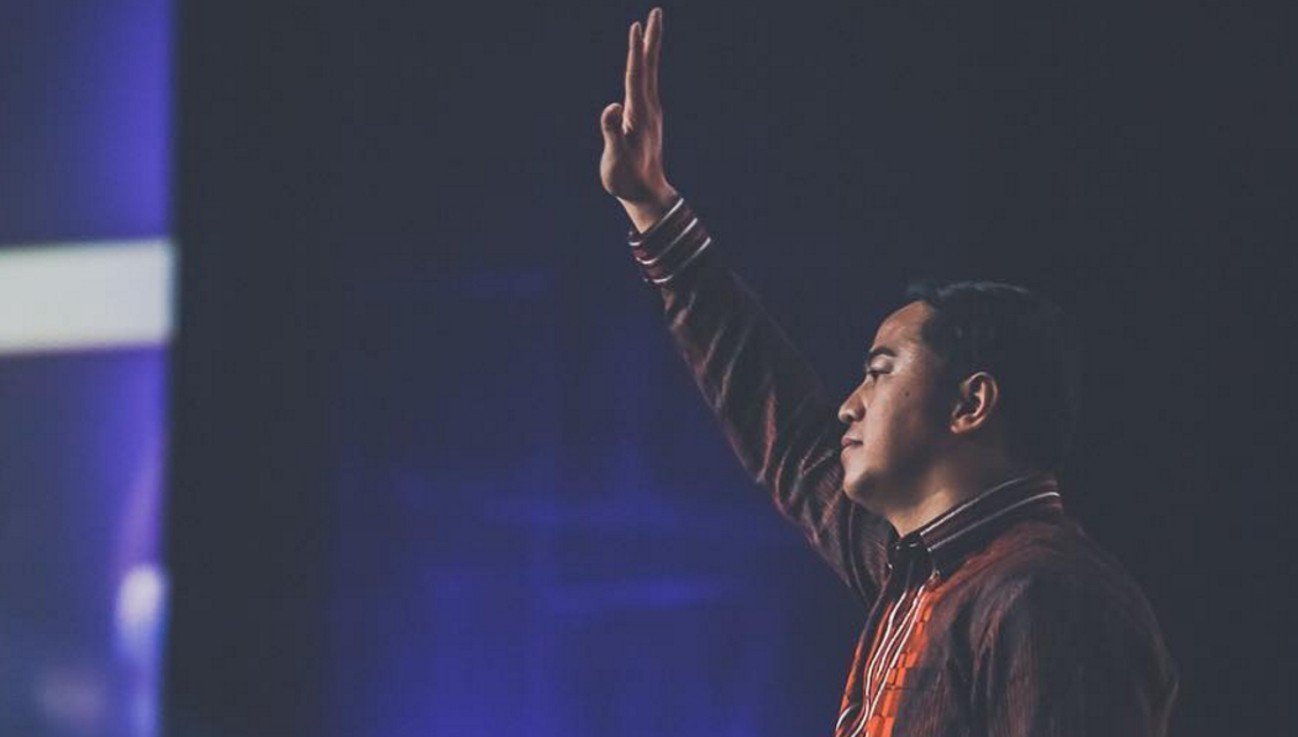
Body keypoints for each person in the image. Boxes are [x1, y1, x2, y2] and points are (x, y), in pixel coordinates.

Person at [598, 8, 1178, 737]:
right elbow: (785, 435)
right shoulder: (930, 573)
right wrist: (651, 206)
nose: (850, 405)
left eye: (879, 372)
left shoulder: (1047, 596)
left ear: (971, 403)